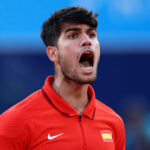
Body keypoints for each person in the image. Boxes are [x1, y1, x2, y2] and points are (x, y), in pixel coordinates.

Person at [0, 6, 125, 150]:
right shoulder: (14, 122)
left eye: (91, 34)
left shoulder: (113, 122)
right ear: (53, 53)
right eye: (73, 35)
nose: (87, 41)